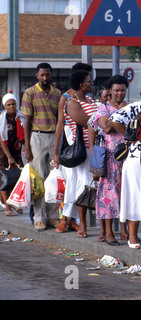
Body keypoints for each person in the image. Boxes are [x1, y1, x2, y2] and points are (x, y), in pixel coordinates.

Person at [109, 77, 141, 250]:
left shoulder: (135, 106)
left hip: (136, 157)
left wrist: (131, 136)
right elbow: (114, 119)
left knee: (134, 196)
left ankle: (133, 237)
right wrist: (134, 137)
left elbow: (115, 118)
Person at [56, 70, 97, 237]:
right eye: (89, 81)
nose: (92, 84)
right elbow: (87, 121)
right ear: (81, 85)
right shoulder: (72, 103)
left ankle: (84, 224)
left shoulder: (91, 100)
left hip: (95, 148)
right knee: (82, 186)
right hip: (82, 150)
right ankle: (82, 225)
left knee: (92, 186)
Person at [21, 62, 61, 231]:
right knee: (38, 180)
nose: (45, 78)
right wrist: (27, 147)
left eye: (48, 75)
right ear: (37, 75)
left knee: (54, 178)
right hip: (36, 138)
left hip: (54, 138)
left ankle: (53, 216)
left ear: (51, 75)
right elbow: (27, 122)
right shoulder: (29, 93)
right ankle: (39, 218)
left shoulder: (58, 94)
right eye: (42, 75)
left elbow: (60, 121)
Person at [92, 75, 128, 246]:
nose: (120, 93)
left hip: (127, 157)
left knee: (127, 193)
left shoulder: (129, 107)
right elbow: (106, 128)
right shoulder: (103, 109)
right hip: (109, 159)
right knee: (109, 195)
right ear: (110, 92)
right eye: (116, 90)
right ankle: (108, 232)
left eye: (122, 90)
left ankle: (126, 231)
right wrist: (119, 113)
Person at [0, 93, 25, 216]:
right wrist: (9, 156)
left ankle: (15, 203)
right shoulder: (1, 118)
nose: (11, 106)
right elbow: (1, 139)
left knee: (17, 177)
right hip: (3, 153)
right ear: (4, 106)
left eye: (13, 104)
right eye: (8, 104)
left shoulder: (20, 117)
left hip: (17, 150)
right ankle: (8, 207)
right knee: (5, 178)